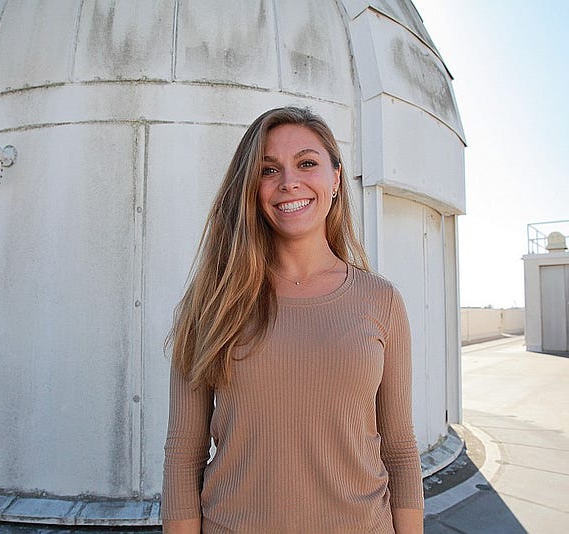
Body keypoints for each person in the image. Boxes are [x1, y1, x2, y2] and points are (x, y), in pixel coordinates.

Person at [162, 107, 424, 533]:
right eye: (268, 170)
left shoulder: (381, 301)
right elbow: (183, 453)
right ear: (251, 187)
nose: (289, 182)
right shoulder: (212, 302)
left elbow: (399, 447)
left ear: (335, 178)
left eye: (307, 163)